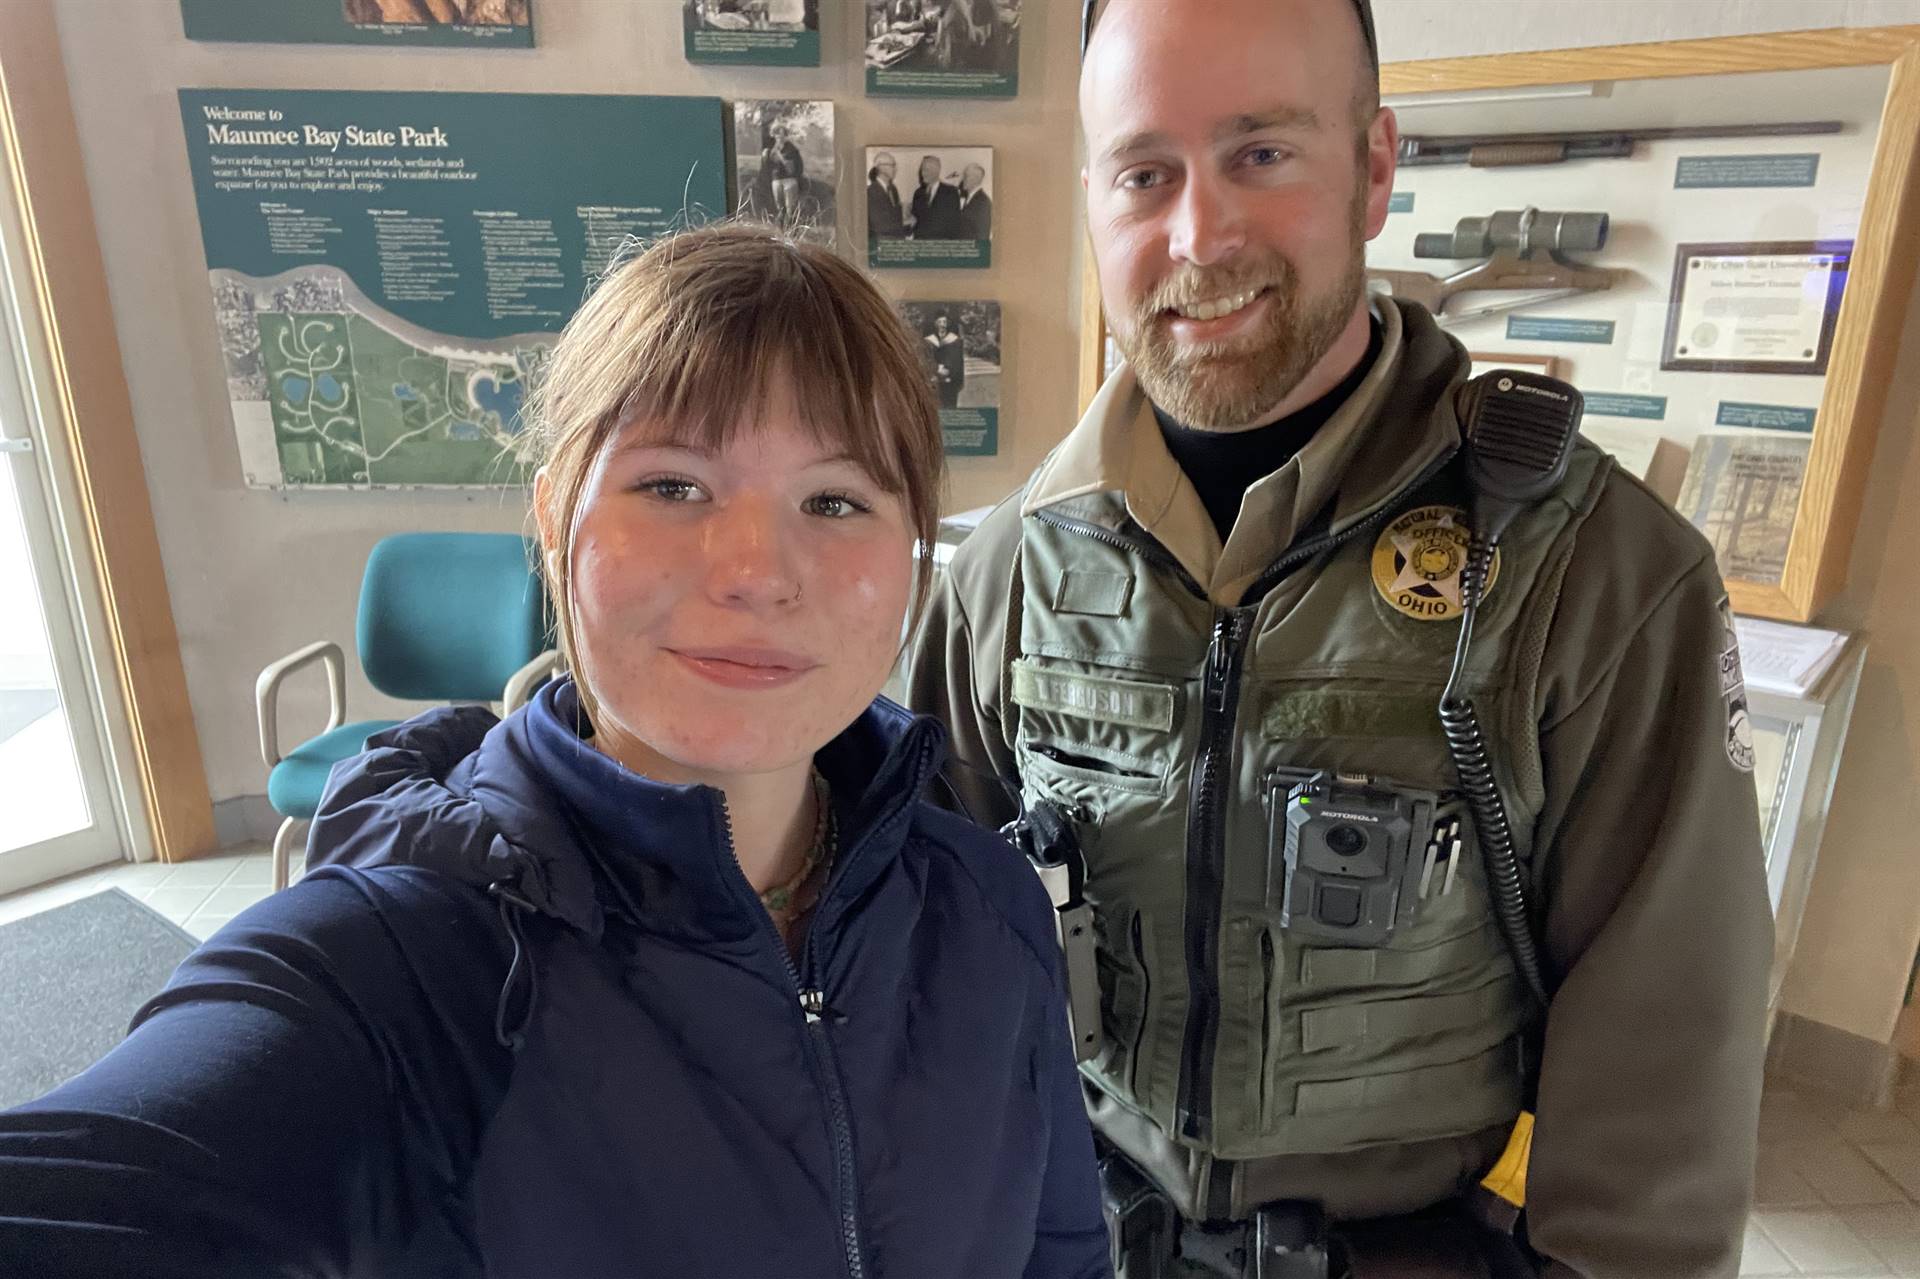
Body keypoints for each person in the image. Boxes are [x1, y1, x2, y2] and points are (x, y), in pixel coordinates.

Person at [0, 224, 1111, 1279]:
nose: (757, 570)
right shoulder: (402, 963)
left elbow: (1063, 1250)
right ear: (552, 515)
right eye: (673, 484)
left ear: (913, 557)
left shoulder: (987, 902)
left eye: (835, 498)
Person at [898, 0, 1773, 1275]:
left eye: (1263, 152)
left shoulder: (1592, 571)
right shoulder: (1008, 570)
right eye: (1147, 172)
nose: (1199, 235)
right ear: (1094, 197)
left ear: (1371, 168)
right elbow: (914, 945)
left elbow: (1668, 1064)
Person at [909, 153, 962, 240]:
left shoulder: (951, 192)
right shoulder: (918, 193)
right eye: (922, 170)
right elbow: (915, 220)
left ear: (937, 171)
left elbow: (954, 225)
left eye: (926, 170)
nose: (923, 173)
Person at [926, 312, 966, 408]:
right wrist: (935, 370)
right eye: (939, 322)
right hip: (934, 380)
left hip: (950, 381)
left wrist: (954, 375)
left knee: (950, 409)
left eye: (944, 322)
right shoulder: (928, 341)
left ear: (947, 324)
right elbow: (926, 359)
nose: (942, 325)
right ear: (935, 324)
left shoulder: (954, 340)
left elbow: (959, 361)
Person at [868, 149, 907, 241]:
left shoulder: (893, 189)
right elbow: (880, 226)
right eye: (892, 165)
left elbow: (895, 216)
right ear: (881, 167)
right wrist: (906, 223)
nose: (895, 169)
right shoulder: (871, 192)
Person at [956, 161, 993, 242]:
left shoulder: (984, 202)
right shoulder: (968, 199)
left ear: (976, 179)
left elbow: (982, 237)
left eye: (966, 176)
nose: (963, 180)